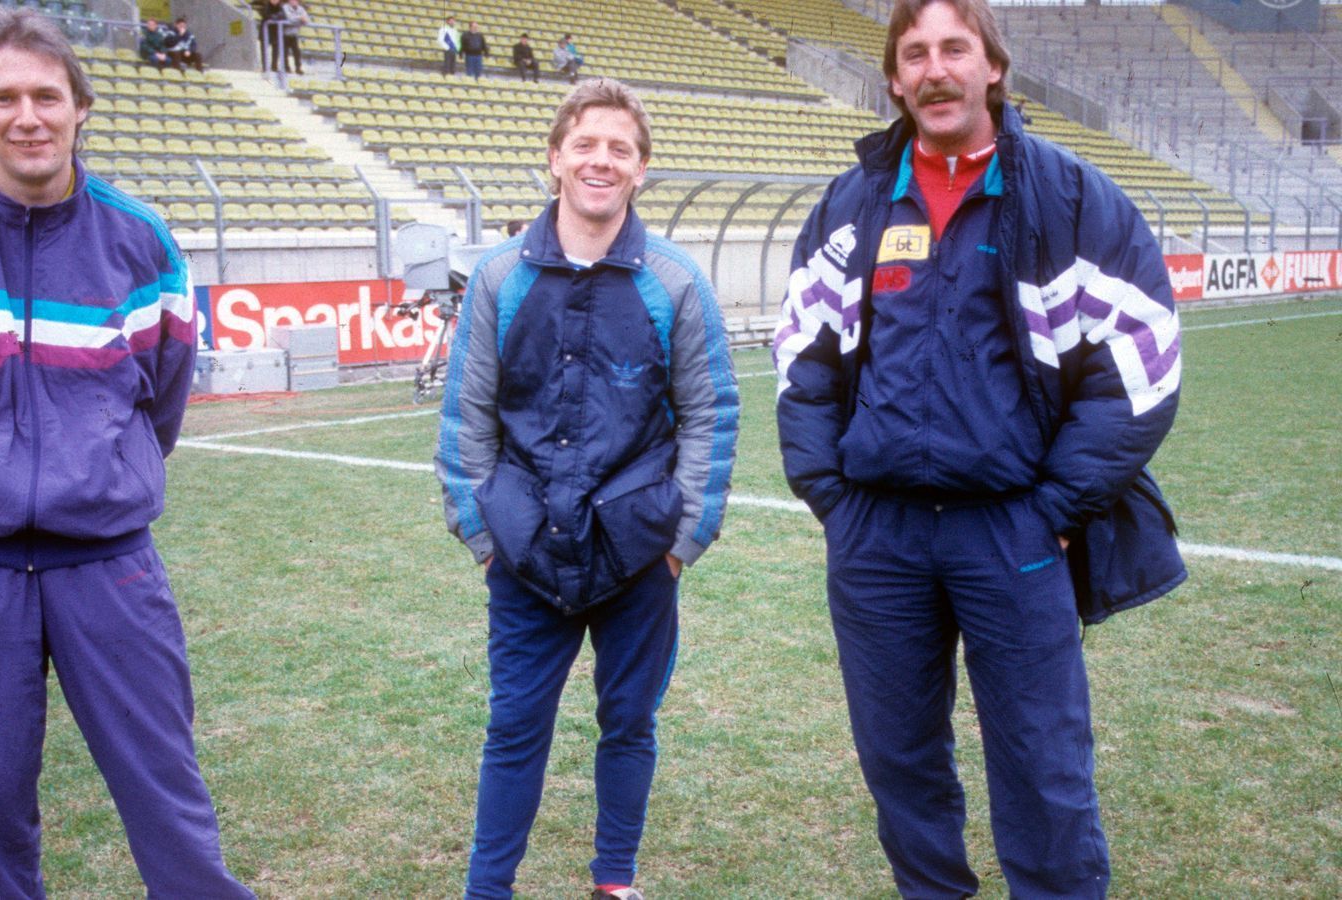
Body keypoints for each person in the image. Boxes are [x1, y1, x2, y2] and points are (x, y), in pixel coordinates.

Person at [772, 0, 1185, 896]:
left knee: (1043, 770)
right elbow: (801, 364)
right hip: (877, 538)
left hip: (1014, 534)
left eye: (954, 48)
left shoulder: (1071, 198)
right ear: (893, 78)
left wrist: (1051, 510)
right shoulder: (852, 206)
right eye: (913, 53)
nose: (934, 69)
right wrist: (835, 503)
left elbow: (1141, 367)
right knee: (900, 766)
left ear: (993, 65)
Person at [0, 8, 254, 896]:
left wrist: (93, 471)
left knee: (166, 796)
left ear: (81, 106)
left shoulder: (139, 240)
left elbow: (163, 395)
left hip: (109, 566)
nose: (26, 116)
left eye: (45, 95)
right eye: (4, 98)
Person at [437, 78, 738, 900]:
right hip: (524, 553)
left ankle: (614, 878)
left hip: (639, 554)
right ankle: (487, 887)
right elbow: (466, 416)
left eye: (620, 149)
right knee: (513, 727)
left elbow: (713, 413)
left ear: (642, 170)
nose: (601, 161)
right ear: (555, 158)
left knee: (629, 724)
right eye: (586, 144)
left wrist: (680, 544)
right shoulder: (500, 278)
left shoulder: (674, 281)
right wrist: (483, 536)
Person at [275, 0, 309, 75]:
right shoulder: (285, 7)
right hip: (285, 33)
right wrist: (300, 19)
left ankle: (298, 68)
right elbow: (289, 18)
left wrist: (299, 20)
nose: (294, 1)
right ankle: (286, 68)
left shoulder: (301, 8)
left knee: (296, 52)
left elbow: (306, 20)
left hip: (294, 33)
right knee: (285, 52)